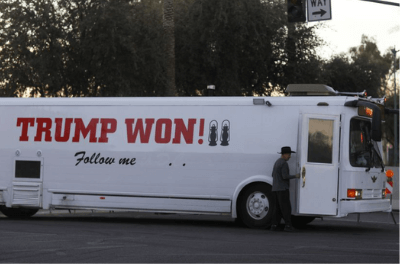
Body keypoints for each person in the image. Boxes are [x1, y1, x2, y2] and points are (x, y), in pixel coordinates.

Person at [270, 146, 300, 232]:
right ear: (284, 154)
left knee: (277, 208)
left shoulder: (277, 162)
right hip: (283, 189)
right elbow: (285, 176)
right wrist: (296, 176)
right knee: (286, 208)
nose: (290, 156)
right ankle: (288, 225)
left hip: (275, 188)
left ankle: (274, 225)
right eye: (289, 154)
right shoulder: (284, 163)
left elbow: (273, 175)